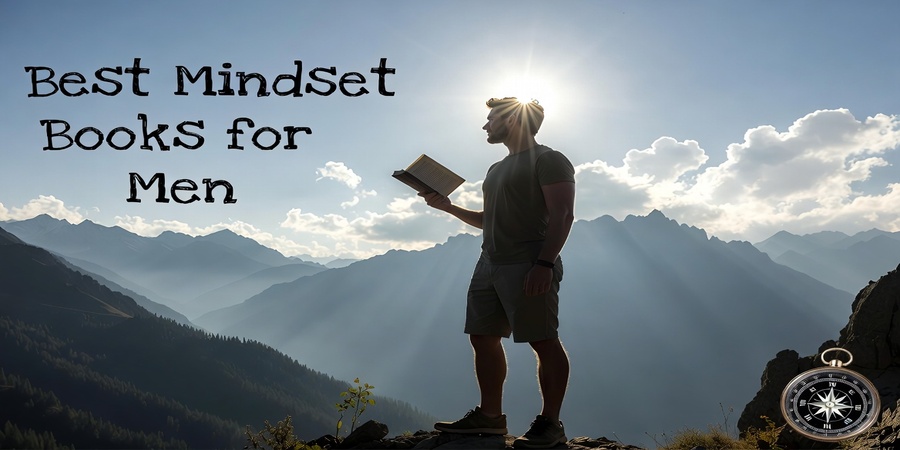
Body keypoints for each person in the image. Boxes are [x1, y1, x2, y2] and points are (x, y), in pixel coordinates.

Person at [422, 97, 576, 449]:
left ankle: (551, 424)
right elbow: (486, 220)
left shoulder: (549, 159)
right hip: (489, 263)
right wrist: (448, 208)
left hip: (528, 263)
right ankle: (491, 417)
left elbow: (563, 215)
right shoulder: (496, 169)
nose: (485, 125)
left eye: (491, 119)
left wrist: (545, 264)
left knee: (542, 340)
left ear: (513, 120)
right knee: (482, 336)